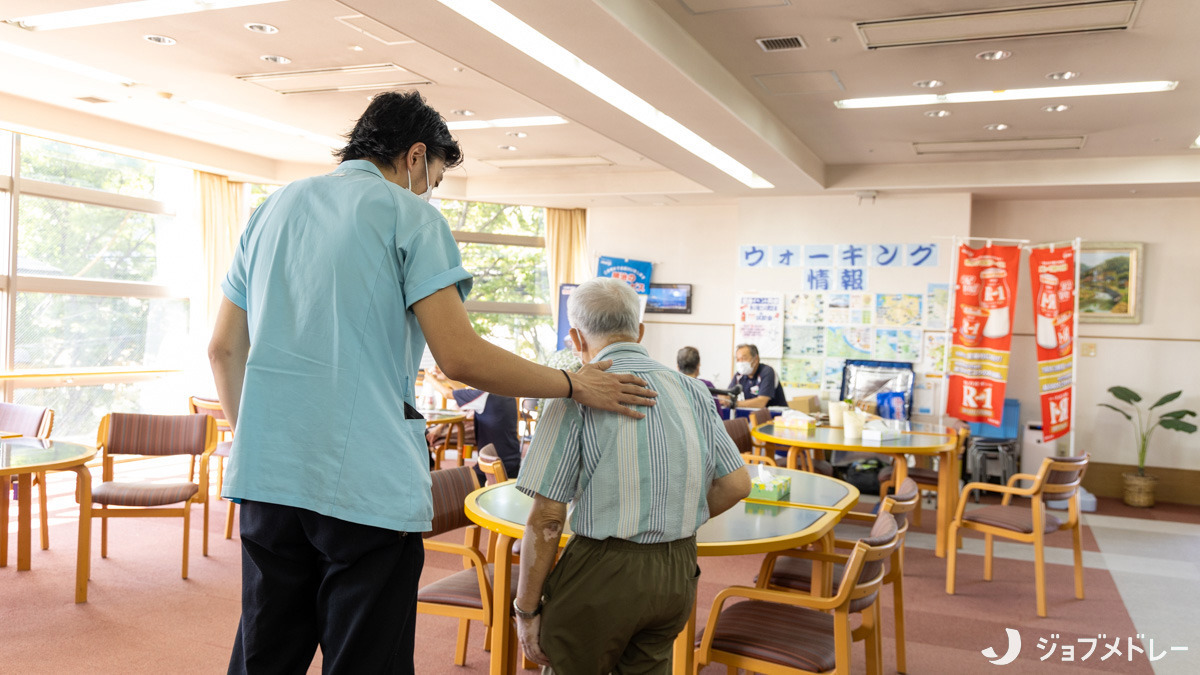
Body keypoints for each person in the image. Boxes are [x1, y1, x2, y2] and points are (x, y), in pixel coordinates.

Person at [207, 91, 657, 675]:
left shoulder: (270, 209)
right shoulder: (407, 213)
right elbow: (460, 355)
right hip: (362, 486)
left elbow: (221, 349)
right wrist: (573, 385)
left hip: (267, 478)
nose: (427, 192)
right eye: (434, 179)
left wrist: (260, 438)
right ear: (415, 156)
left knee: (265, 654)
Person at [513, 278, 751, 674]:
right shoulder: (693, 390)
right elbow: (736, 484)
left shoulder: (577, 393)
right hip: (677, 569)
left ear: (576, 337)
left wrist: (525, 608)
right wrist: (674, 515)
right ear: (640, 331)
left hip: (602, 573)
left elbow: (549, 520)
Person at [424, 366, 522, 480]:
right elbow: (463, 392)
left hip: (493, 467)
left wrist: (430, 378)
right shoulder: (504, 393)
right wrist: (446, 378)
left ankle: (428, 474)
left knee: (450, 483)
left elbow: (447, 394)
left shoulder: (484, 395)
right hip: (511, 462)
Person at [723, 343, 787, 409]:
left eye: (744, 358)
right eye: (738, 359)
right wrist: (722, 399)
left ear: (756, 359)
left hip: (775, 415)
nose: (740, 363)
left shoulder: (767, 372)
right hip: (751, 413)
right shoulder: (739, 375)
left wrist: (733, 403)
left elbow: (761, 403)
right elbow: (728, 395)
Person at [676, 345, 724, 417]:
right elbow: (719, 417)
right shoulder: (707, 386)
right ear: (698, 366)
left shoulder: (671, 384)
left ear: (678, 367)